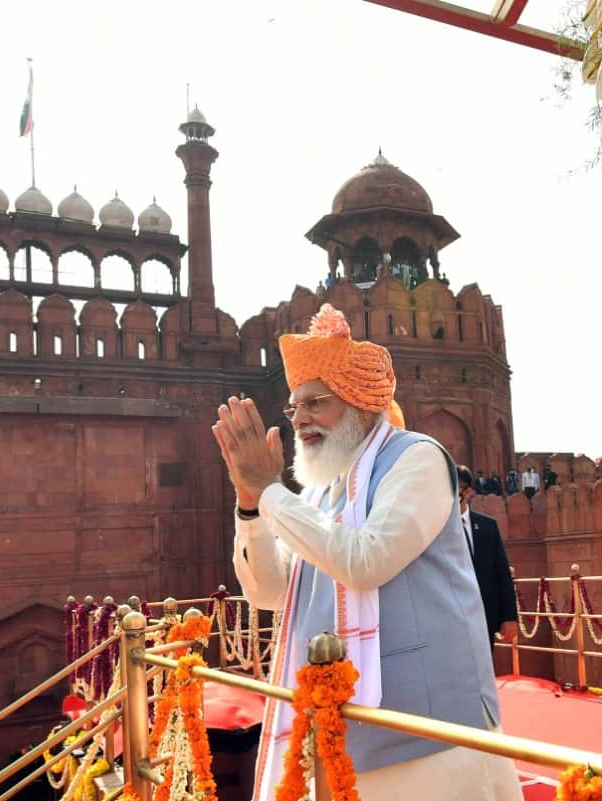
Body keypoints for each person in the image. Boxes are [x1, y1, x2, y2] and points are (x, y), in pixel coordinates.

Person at [214, 303, 520, 801]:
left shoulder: (416, 458)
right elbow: (270, 592)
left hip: (427, 731)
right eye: (294, 408)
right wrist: (250, 507)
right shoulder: (318, 494)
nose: (300, 420)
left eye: (316, 403)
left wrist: (271, 492)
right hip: (337, 728)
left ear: (357, 401)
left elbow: (365, 560)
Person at [457, 466, 518, 649]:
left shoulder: (487, 526)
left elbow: (502, 573)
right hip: (448, 622)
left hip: (484, 618)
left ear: (468, 491)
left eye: (453, 487)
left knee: (484, 673)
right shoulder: (435, 528)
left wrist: (509, 617)